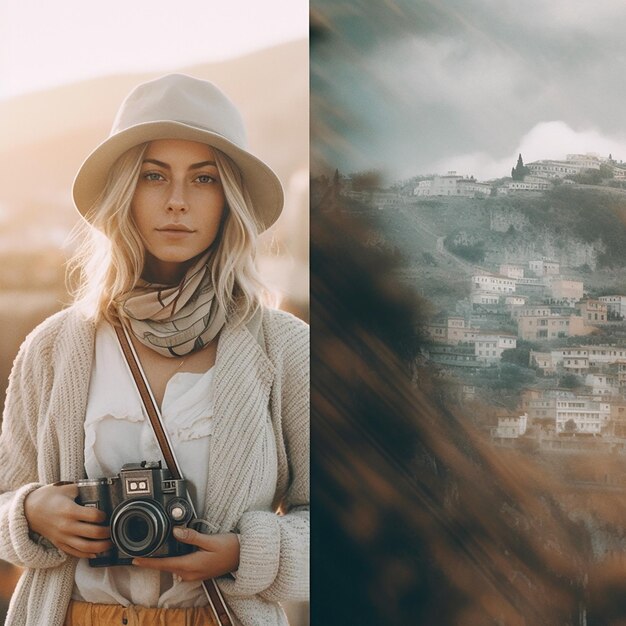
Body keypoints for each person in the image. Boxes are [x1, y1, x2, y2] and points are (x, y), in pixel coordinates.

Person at [0, 74, 309, 626]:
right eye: (153, 176)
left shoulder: (285, 349)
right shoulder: (52, 349)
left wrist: (246, 553)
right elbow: (3, 496)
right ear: (125, 192)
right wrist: (29, 512)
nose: (176, 202)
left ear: (229, 199)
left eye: (204, 179)